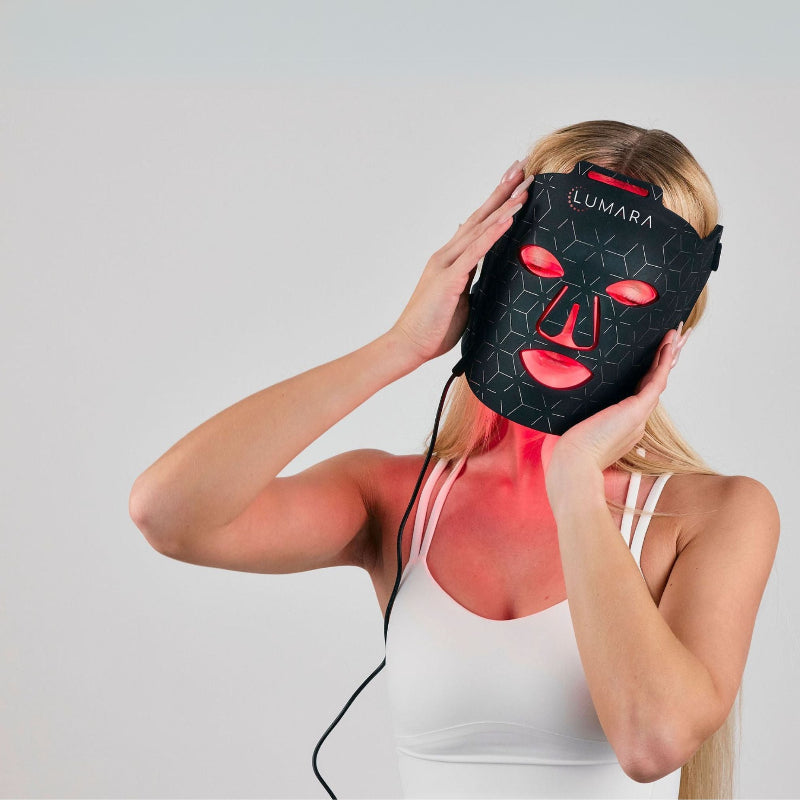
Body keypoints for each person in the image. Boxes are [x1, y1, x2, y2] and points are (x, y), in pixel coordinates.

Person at [129, 120, 780, 800]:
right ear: (490, 263)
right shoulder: (395, 498)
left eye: (625, 297)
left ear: (673, 322)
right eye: (544, 270)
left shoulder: (713, 515)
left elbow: (652, 743)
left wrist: (578, 486)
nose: (567, 322)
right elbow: (168, 514)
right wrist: (398, 347)